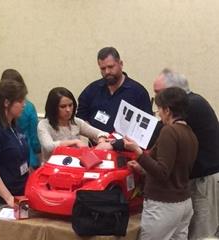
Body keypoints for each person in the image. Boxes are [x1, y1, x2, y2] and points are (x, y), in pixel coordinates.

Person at [125, 87, 198, 240]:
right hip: (184, 203)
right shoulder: (190, 132)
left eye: (159, 109)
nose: (158, 114)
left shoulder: (169, 131)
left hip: (163, 205)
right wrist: (143, 167)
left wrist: (138, 153)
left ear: (167, 110)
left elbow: (162, 172)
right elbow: (175, 168)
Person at [153, 69, 219, 239]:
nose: (158, 102)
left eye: (160, 93)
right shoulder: (195, 102)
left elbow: (164, 134)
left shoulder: (190, 106)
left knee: (203, 233)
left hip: (204, 180)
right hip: (199, 178)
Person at [77, 47, 152, 133]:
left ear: (120, 64)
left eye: (111, 67)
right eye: (103, 68)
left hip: (126, 145)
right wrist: (95, 135)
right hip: (96, 143)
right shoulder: (91, 90)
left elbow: (146, 126)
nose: (107, 71)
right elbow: (80, 120)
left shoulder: (138, 92)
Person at [0, 80, 29, 219]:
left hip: (18, 196)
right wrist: (9, 198)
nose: (24, 105)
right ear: (6, 103)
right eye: (20, 101)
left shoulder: (14, 127)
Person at [0, 69, 41, 169]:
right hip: (9, 166)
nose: (24, 105)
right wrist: (38, 154)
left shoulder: (12, 123)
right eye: (20, 101)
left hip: (23, 161)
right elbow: (34, 139)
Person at [38, 87, 109, 161]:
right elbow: (48, 147)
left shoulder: (76, 122)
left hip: (75, 165)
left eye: (70, 105)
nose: (68, 110)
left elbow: (102, 133)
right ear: (53, 108)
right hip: (51, 167)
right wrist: (75, 142)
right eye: (63, 106)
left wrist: (101, 139)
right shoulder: (44, 124)